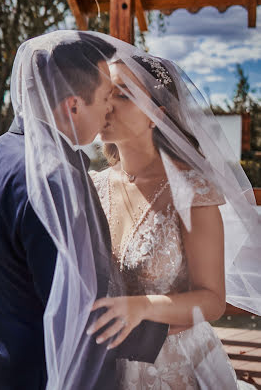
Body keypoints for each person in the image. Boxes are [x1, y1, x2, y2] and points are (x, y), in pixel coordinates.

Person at [0, 30, 169, 390]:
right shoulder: (57, 179)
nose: (108, 109)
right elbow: (83, 309)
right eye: (104, 97)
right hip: (50, 373)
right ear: (72, 106)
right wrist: (172, 327)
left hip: (2, 364)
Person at [88, 46, 261, 389]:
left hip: (174, 367)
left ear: (157, 115)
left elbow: (212, 300)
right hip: (103, 365)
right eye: (104, 92)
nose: (106, 104)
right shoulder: (92, 186)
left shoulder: (193, 191)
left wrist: (143, 307)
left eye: (121, 94)